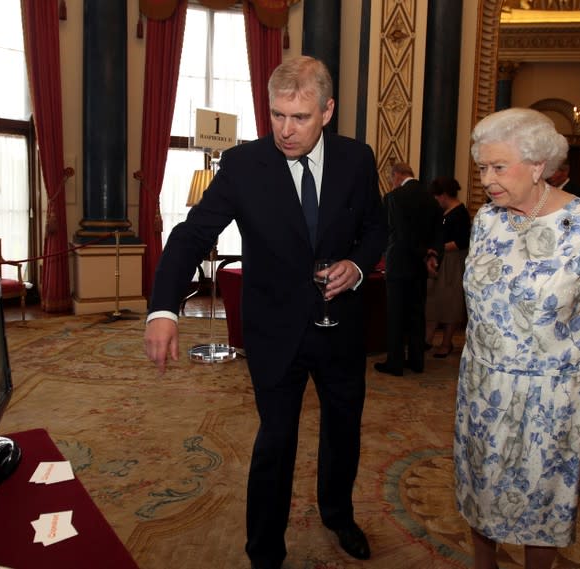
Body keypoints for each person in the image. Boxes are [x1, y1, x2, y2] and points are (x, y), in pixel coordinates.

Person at [144, 56, 386, 569]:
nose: (285, 130)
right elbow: (192, 235)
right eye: (276, 115)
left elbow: (376, 230)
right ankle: (264, 551)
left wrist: (357, 267)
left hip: (340, 327)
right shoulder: (242, 165)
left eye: (299, 117)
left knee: (344, 430)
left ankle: (338, 514)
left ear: (327, 111)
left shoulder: (357, 160)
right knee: (276, 440)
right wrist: (164, 307)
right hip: (275, 331)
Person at [453, 107, 580, 569]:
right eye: (482, 168)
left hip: (551, 393)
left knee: (541, 494)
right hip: (482, 383)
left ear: (537, 166)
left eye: (497, 167)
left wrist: (573, 366)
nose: (486, 179)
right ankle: (483, 562)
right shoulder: (488, 220)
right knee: (481, 481)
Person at [373, 162, 442, 376]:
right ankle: (416, 360)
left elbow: (399, 236)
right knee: (416, 313)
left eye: (391, 178)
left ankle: (395, 363)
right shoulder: (431, 199)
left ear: (397, 175)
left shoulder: (394, 198)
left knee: (395, 314)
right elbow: (438, 234)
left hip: (399, 264)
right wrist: (431, 254)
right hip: (419, 266)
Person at [424, 176, 470, 358]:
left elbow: (461, 242)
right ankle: (427, 339)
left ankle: (446, 342)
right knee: (433, 301)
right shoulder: (444, 211)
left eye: (436, 197)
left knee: (451, 302)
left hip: (453, 262)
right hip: (441, 259)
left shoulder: (460, 213)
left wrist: (437, 247)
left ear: (443, 195)